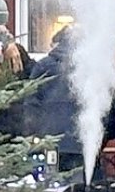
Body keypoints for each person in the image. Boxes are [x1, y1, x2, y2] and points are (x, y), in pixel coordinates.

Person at [28, 27, 91, 175]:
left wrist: (33, 132)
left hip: (49, 138)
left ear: (57, 42)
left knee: (50, 182)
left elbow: (31, 102)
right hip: (79, 139)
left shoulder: (43, 66)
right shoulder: (87, 68)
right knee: (77, 183)